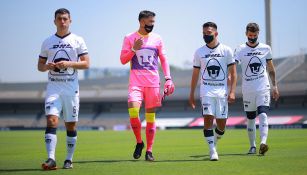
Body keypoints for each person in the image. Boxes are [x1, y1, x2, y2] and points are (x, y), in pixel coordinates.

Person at [37, 8, 90, 170]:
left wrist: (68, 64)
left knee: (70, 126)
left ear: (70, 21)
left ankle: (68, 159)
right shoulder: (47, 41)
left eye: (65, 19)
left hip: (71, 89)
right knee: (51, 120)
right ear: (54, 21)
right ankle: (51, 159)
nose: (62, 21)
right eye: (59, 19)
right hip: (53, 88)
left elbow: (86, 63)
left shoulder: (78, 40)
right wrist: (48, 66)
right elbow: (40, 66)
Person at [120, 10, 175, 161]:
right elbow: (123, 60)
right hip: (136, 83)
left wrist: (168, 78)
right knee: (133, 112)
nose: (152, 25)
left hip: (153, 84)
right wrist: (133, 49)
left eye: (153, 22)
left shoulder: (157, 38)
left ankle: (149, 151)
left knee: (150, 118)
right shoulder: (129, 38)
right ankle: (139, 142)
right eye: (149, 22)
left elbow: (163, 59)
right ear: (141, 22)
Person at [189, 22, 237, 161]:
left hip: (222, 92)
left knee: (221, 127)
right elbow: (195, 75)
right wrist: (191, 94)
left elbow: (234, 74)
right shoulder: (199, 52)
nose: (205, 36)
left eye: (208, 33)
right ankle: (212, 151)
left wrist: (232, 91)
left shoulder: (226, 50)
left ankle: (214, 142)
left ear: (216, 33)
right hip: (206, 91)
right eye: (204, 34)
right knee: (208, 118)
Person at [234, 22, 279, 155]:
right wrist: (230, 76)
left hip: (263, 87)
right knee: (251, 119)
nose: (252, 38)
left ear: (258, 34)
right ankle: (252, 146)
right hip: (248, 89)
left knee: (263, 114)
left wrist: (275, 86)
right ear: (246, 34)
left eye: (254, 35)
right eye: (250, 35)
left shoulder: (266, 48)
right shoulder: (240, 49)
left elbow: (271, 68)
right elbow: (233, 66)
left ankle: (263, 143)